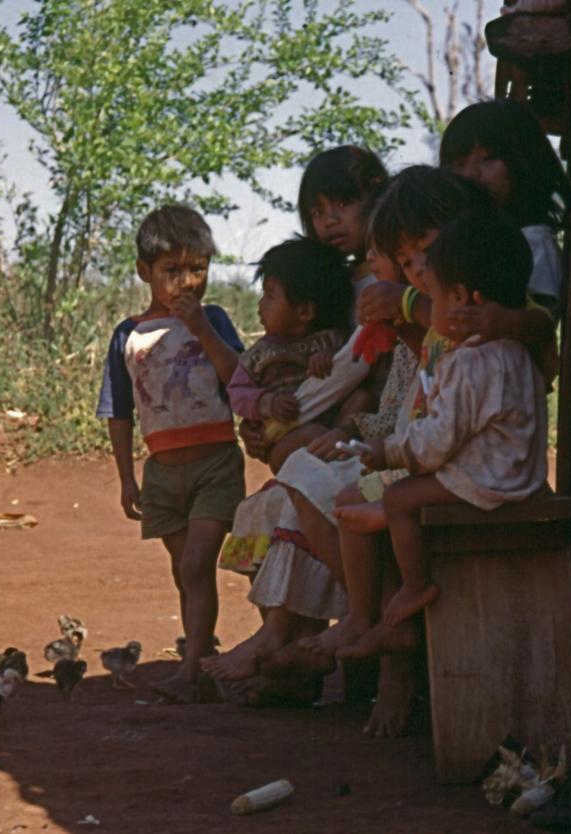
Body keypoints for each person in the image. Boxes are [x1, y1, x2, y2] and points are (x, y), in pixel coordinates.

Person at [339, 211, 550, 629]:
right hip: (518, 474)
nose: (425, 302)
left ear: (459, 298)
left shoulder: (471, 362)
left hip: (490, 481)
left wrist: (387, 452)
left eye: (431, 296)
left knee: (402, 497)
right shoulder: (514, 349)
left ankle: (415, 586)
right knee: (400, 493)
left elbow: (436, 444)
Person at [217, 146, 390, 582]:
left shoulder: (390, 275)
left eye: (342, 205)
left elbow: (352, 367)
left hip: (374, 426)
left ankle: (355, 611)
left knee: (302, 487)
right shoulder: (329, 282)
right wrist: (262, 416)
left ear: (376, 197)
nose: (329, 220)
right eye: (317, 211)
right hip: (321, 425)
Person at [96, 204, 245, 703]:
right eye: (172, 272)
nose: (186, 283)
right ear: (145, 272)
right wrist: (126, 478)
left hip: (215, 464)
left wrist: (203, 329)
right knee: (186, 573)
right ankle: (198, 665)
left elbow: (240, 382)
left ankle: (193, 670)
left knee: (198, 565)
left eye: (197, 270)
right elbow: (119, 410)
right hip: (162, 472)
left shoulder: (216, 320)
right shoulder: (128, 335)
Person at [356, 99, 570, 387]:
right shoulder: (469, 244)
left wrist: (408, 302)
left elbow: (527, 323)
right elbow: (441, 344)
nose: (471, 173)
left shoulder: (533, 241)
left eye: (489, 158)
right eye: (458, 164)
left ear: (525, 161)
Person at [226, 236, 355, 469]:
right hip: (284, 443)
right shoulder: (259, 355)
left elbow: (352, 369)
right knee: (314, 433)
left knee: (361, 400)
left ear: (305, 311)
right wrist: (267, 402)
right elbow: (236, 392)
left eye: (270, 296)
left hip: (332, 430)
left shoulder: (333, 340)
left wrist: (328, 359)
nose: (260, 304)